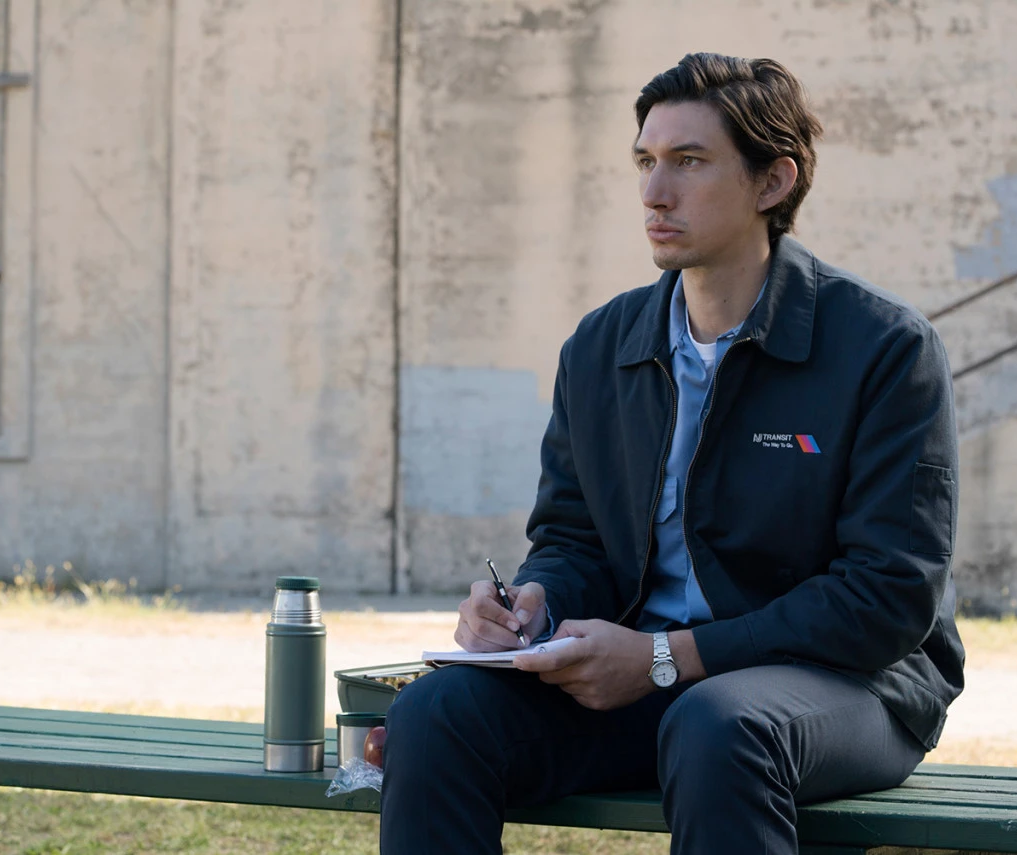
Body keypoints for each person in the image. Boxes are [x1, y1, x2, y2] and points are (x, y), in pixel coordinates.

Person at [379, 52, 964, 855]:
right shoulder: (601, 347)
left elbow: (888, 597)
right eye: (646, 162)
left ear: (773, 182)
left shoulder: (884, 350)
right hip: (648, 678)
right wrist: (535, 604)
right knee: (434, 714)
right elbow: (574, 537)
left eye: (689, 162)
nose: (655, 192)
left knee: (720, 723)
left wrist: (665, 656)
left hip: (854, 685)